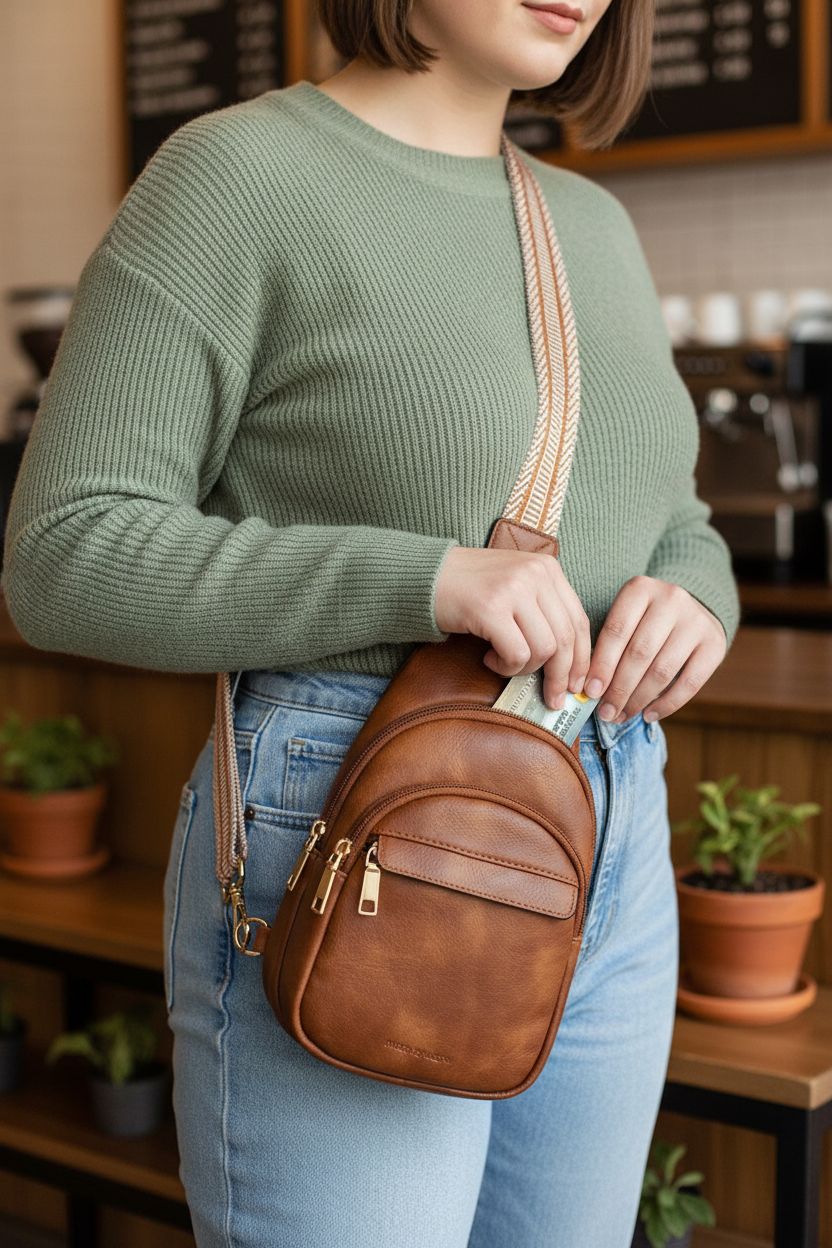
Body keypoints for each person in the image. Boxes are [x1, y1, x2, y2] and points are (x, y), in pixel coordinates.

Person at [2, 1, 739, 1244]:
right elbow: (62, 553)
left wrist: (696, 598)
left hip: (606, 821)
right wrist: (428, 581)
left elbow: (670, 514)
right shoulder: (237, 177)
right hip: (353, 824)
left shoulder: (592, 226)